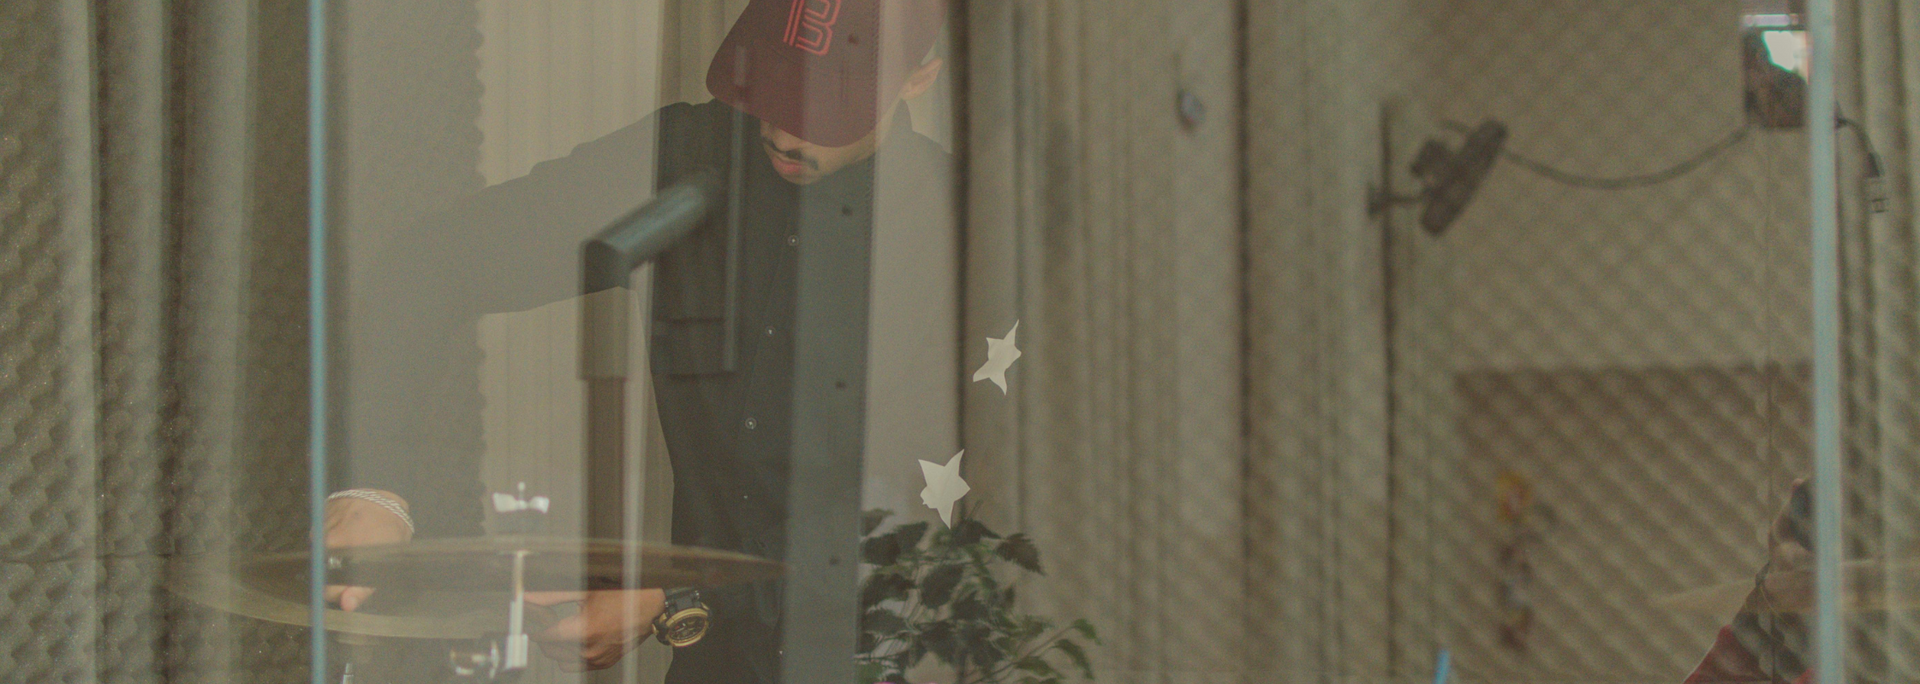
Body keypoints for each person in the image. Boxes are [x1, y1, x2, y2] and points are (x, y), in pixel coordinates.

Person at [324, 1, 953, 680]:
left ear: (918, 79)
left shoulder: (955, 228)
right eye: (771, 88)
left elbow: (901, 522)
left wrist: (674, 599)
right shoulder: (692, 151)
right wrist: (371, 487)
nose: (783, 130)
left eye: (825, 109)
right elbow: (435, 263)